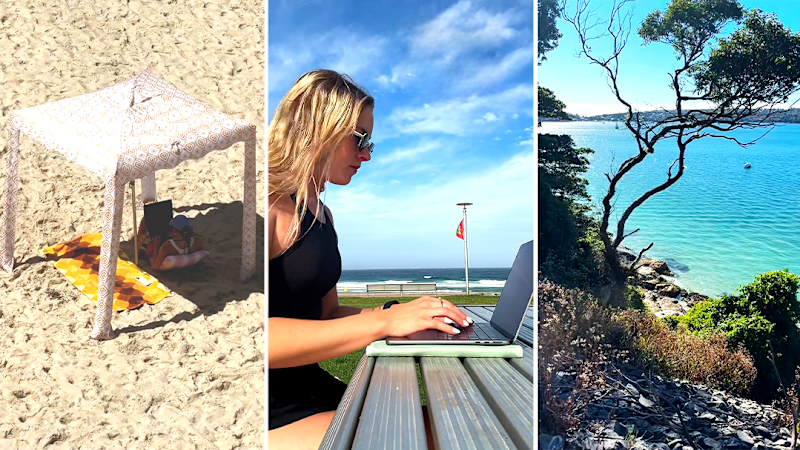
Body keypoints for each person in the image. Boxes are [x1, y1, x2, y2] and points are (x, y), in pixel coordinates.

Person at [268, 69, 475, 449]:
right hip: (269, 408)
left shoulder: (323, 216)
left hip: (308, 386)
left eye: (370, 143)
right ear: (318, 129)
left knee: (457, 424)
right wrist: (384, 323)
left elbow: (326, 315)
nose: (366, 154)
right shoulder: (264, 209)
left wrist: (403, 313)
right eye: (359, 139)